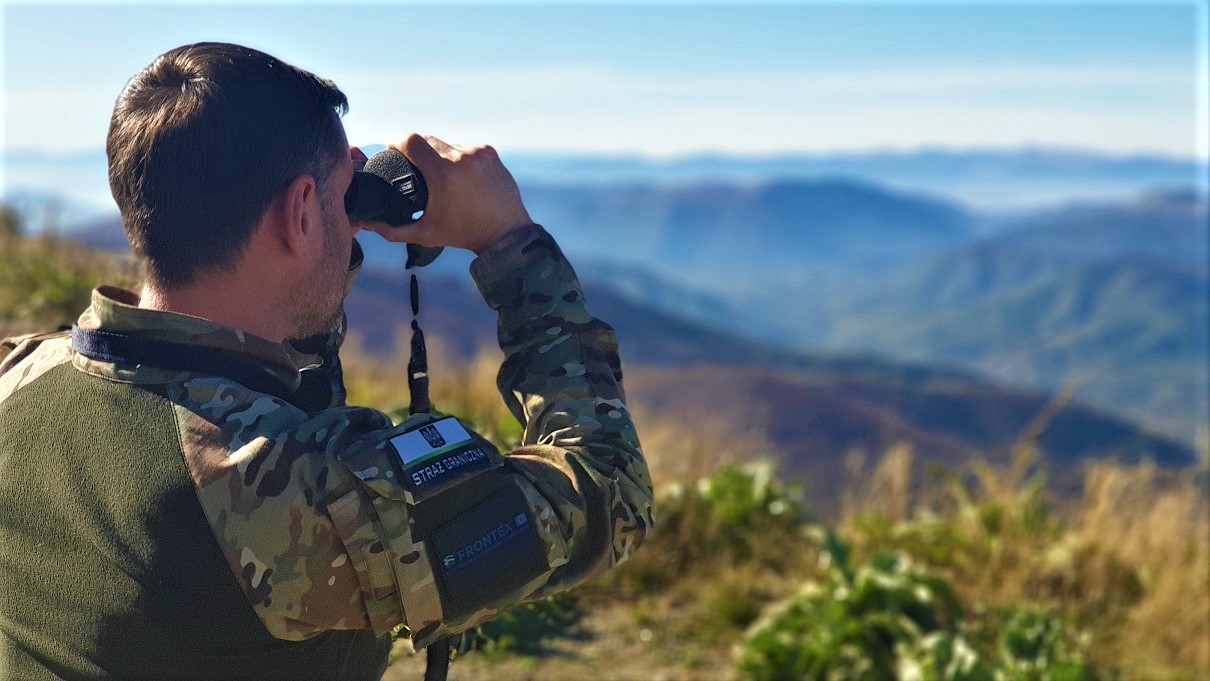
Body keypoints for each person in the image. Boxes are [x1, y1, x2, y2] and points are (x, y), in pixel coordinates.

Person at [0, 42, 654, 680]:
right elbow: (607, 486)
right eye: (340, 194)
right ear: (301, 212)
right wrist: (512, 242)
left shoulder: (20, 375)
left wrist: (319, 232)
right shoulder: (300, 494)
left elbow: (258, 380)